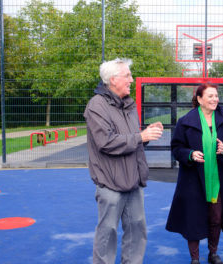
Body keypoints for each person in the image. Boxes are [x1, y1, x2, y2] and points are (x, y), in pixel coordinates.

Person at [84, 58, 163, 264]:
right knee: (107, 232)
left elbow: (131, 140)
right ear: (113, 79)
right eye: (127, 75)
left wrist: (146, 135)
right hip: (110, 182)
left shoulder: (129, 104)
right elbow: (106, 142)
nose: (131, 79)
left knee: (137, 229)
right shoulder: (96, 106)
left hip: (133, 182)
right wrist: (141, 137)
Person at [166, 82, 223, 264]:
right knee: (194, 217)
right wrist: (190, 154)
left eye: (216, 96)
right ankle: (195, 258)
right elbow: (176, 148)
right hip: (193, 179)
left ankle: (213, 253)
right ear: (200, 99)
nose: (215, 99)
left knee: (216, 217)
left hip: (218, 179)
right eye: (210, 96)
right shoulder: (185, 122)